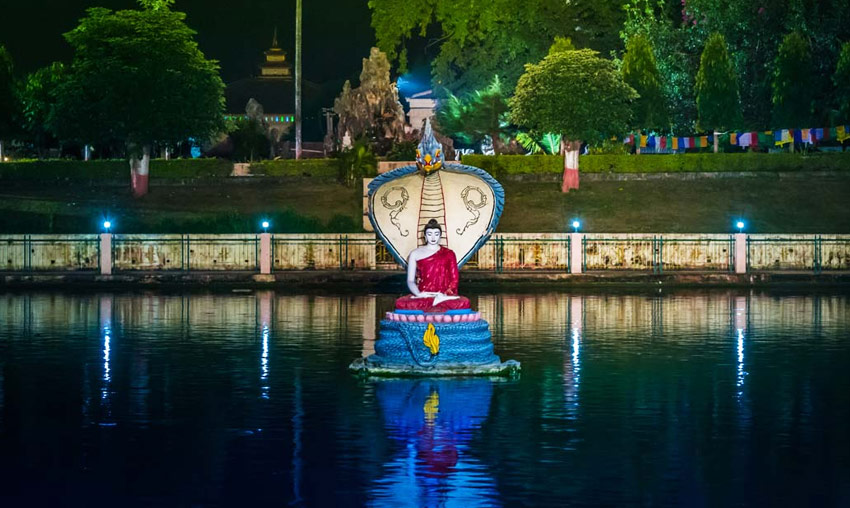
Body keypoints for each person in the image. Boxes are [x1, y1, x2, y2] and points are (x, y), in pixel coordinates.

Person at [395, 219, 471, 312]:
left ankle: (438, 302)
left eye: (436, 234)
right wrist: (418, 294)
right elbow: (410, 281)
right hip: (424, 294)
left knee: (463, 302)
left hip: (443, 296)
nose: (433, 237)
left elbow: (454, 279)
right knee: (401, 303)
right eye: (430, 234)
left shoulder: (449, 253)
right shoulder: (415, 253)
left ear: (440, 236)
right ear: (425, 236)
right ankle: (434, 303)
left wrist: (446, 294)